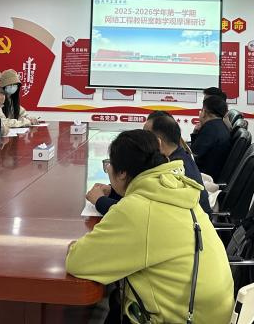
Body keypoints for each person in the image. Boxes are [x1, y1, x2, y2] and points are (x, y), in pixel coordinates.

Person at [66, 130, 233, 324]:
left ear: (122, 173)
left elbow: (78, 261)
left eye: (109, 165)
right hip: (212, 313)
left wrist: (73, 246)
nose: (108, 170)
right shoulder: (178, 190)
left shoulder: (138, 209)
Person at [87, 113, 213, 215]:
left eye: (145, 135)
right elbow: (143, 195)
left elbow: (137, 212)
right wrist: (113, 191)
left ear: (157, 142)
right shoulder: (175, 159)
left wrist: (99, 201)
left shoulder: (173, 171)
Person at [190, 94, 231, 181]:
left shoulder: (210, 129)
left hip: (203, 177)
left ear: (204, 112)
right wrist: (195, 133)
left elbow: (193, 157)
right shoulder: (219, 125)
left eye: (201, 110)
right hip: (212, 173)